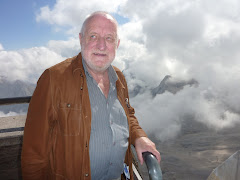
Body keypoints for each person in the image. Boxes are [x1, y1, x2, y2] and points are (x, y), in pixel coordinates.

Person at [21, 11, 160, 180]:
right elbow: (33, 155)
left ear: (117, 44)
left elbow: (127, 114)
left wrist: (140, 136)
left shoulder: (119, 78)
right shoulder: (53, 79)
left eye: (109, 38)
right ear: (81, 39)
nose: (101, 46)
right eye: (93, 36)